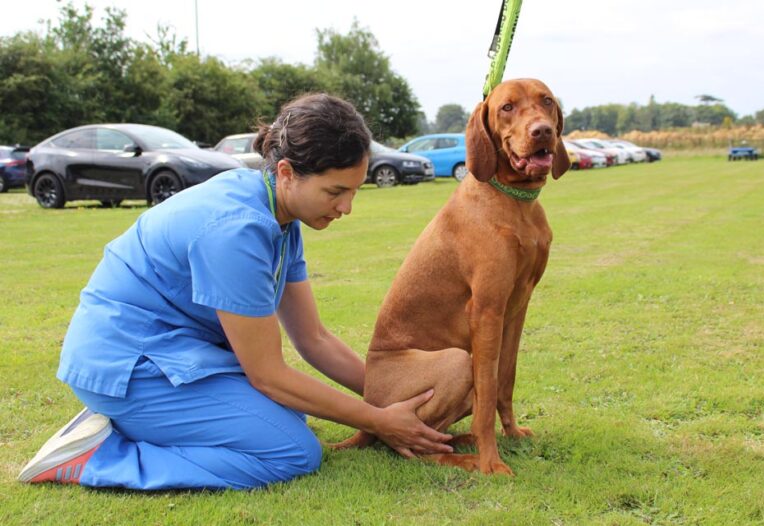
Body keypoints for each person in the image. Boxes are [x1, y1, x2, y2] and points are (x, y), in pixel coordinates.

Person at [18, 94, 452, 490]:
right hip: (125, 367)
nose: (346, 208)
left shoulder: (279, 216)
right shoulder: (236, 231)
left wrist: (391, 397)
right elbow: (267, 374)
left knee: (292, 414)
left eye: (354, 191)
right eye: (335, 192)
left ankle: (133, 423)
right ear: (286, 172)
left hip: (168, 351)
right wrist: (379, 419)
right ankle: (96, 456)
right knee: (292, 450)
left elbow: (313, 339)